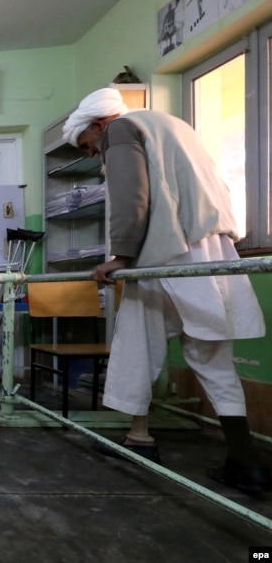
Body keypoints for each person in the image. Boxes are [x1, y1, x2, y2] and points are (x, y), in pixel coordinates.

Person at [62, 87, 269, 493]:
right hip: (213, 249)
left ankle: (140, 440)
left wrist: (120, 257)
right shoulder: (176, 127)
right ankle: (246, 461)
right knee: (213, 357)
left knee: (137, 343)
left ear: (99, 124)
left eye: (88, 146)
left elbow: (131, 196)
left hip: (166, 251)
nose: (92, 154)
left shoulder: (121, 129)